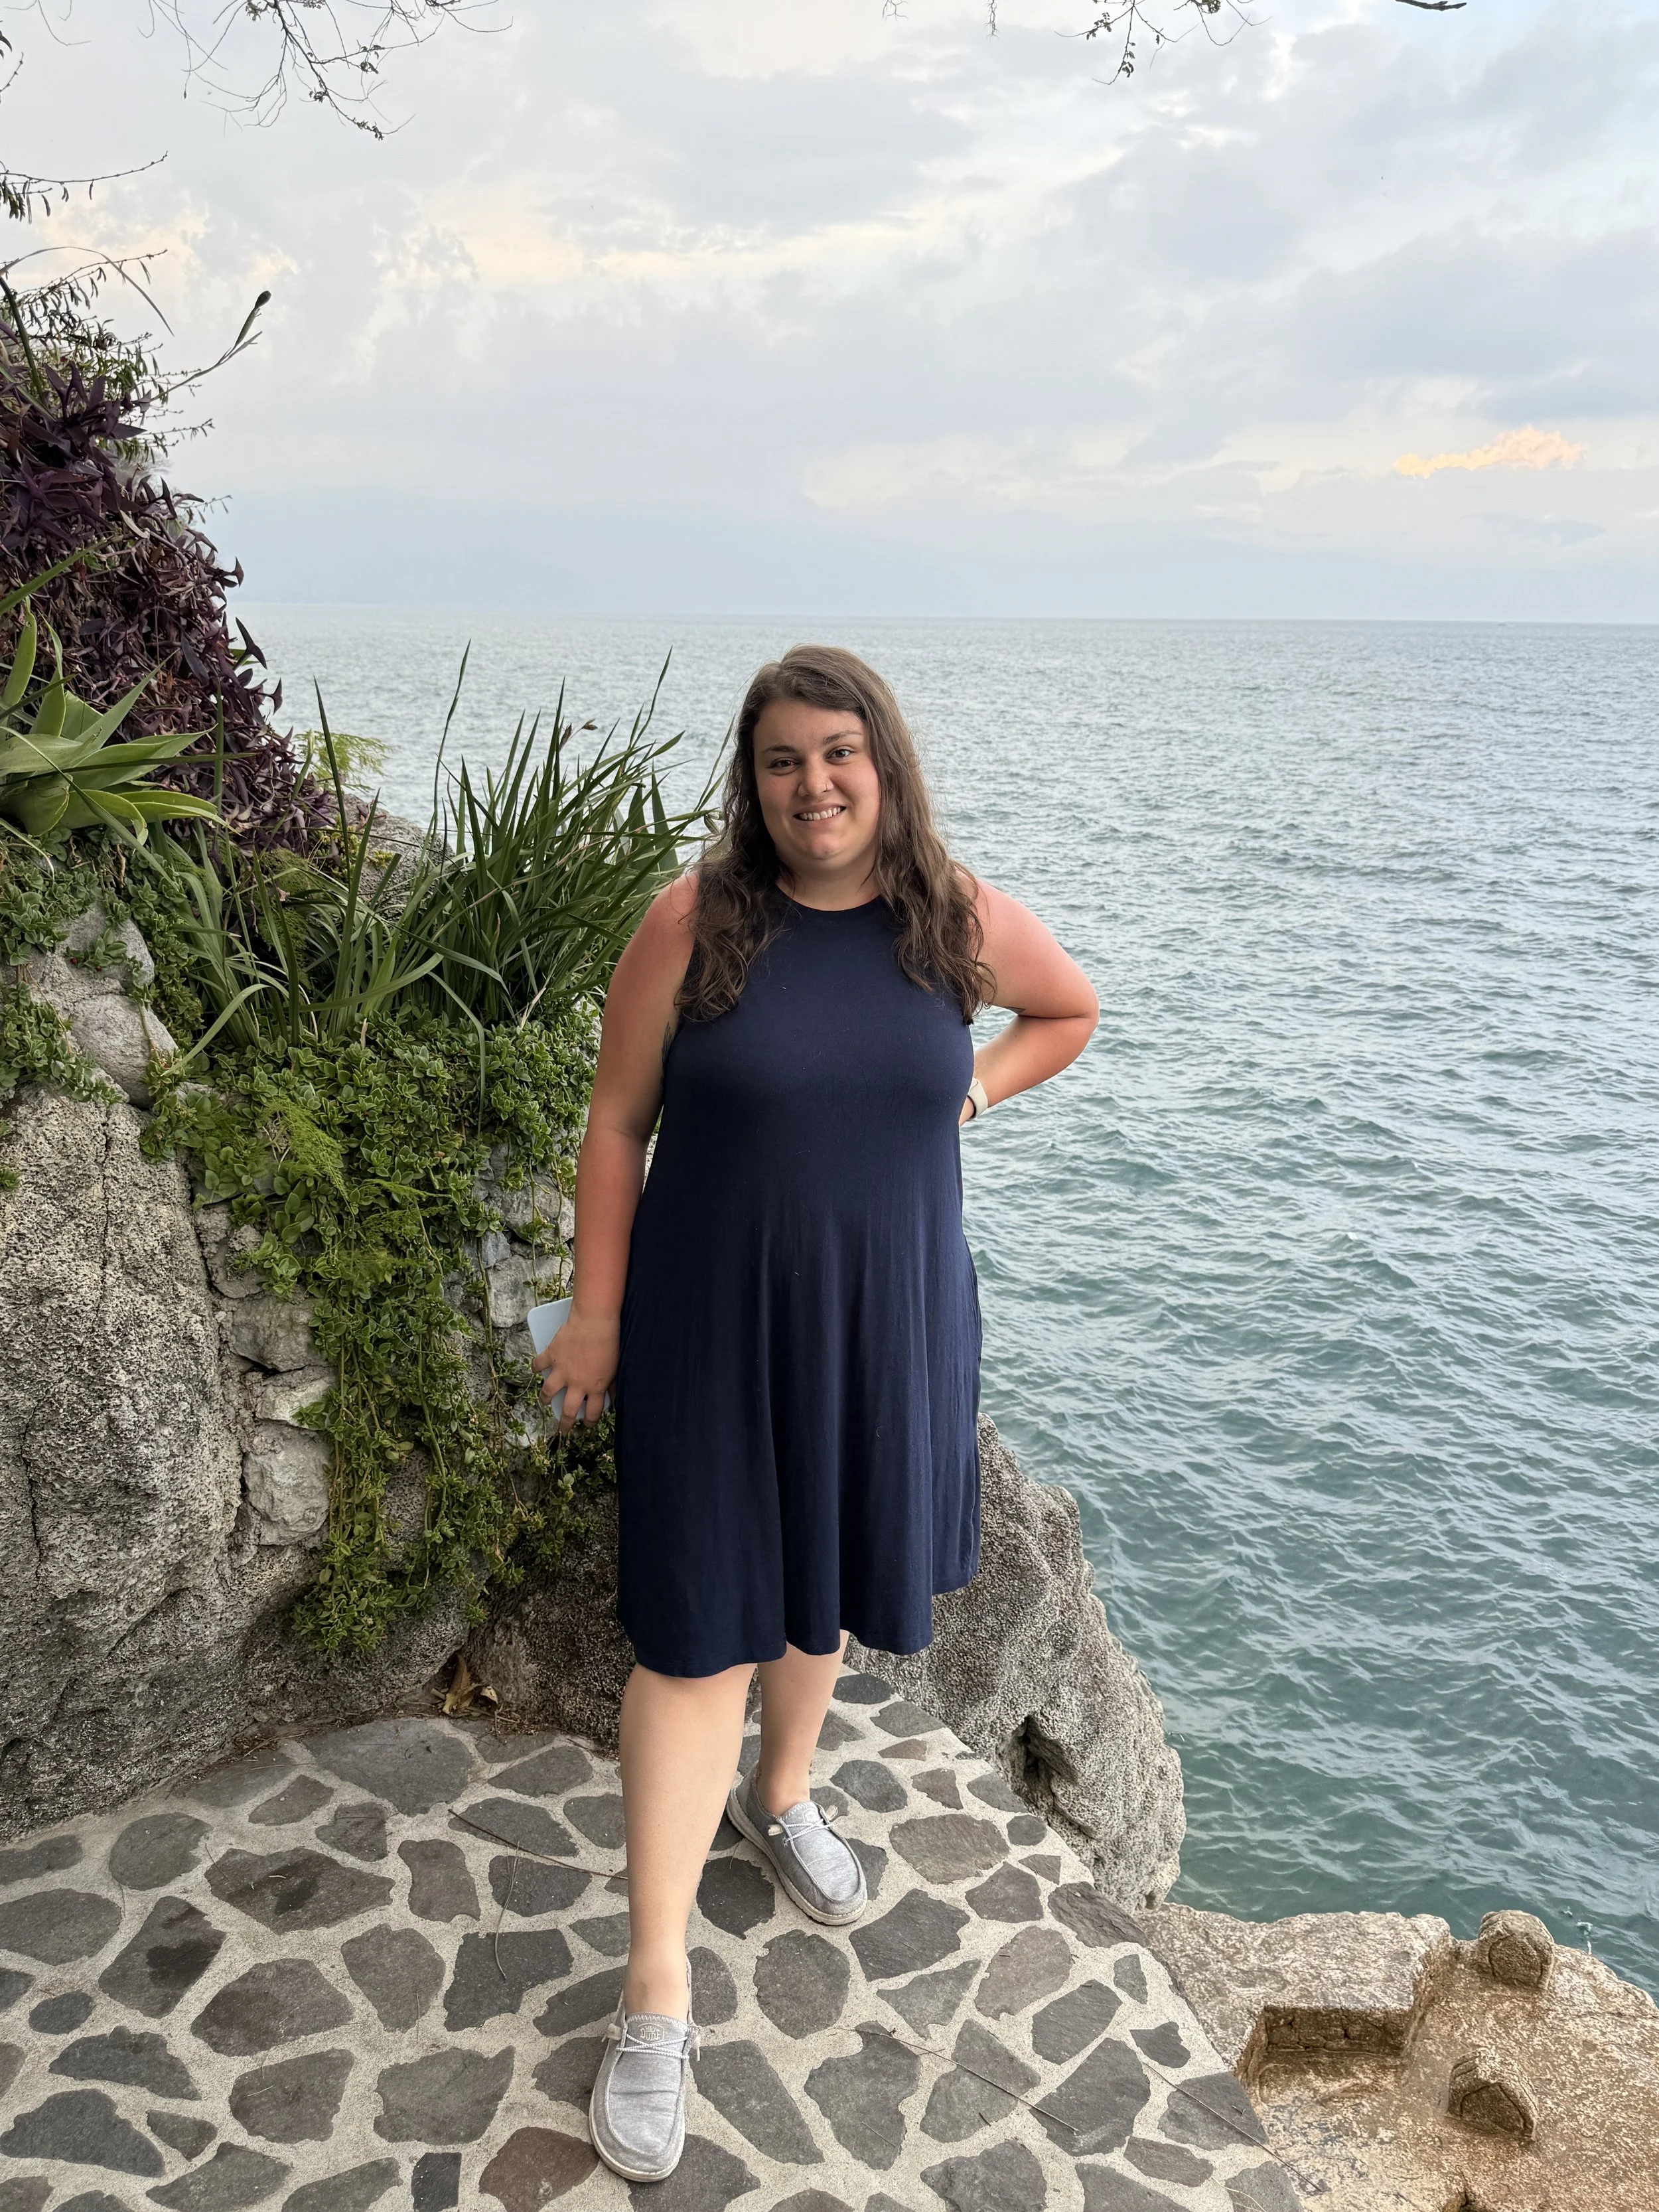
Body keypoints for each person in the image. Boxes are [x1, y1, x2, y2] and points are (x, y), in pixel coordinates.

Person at [532, 643, 1097, 2183]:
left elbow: (1066, 1011)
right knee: (695, 1631)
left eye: (838, 752)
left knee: (825, 1587)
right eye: (783, 760)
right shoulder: (694, 921)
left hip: (888, 1321)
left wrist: (965, 1093)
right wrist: (593, 1310)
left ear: (883, 762)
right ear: (753, 778)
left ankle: (779, 1799)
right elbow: (613, 1119)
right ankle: (656, 1990)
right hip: (712, 1329)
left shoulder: (951, 918)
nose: (813, 783)